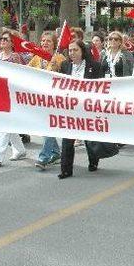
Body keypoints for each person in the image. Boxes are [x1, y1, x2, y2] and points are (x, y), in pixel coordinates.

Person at [57, 40, 104, 179]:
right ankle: (66, 169)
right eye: (70, 50)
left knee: (89, 137)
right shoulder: (65, 65)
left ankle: (93, 161)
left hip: (87, 108)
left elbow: (100, 87)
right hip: (70, 108)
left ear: (82, 51)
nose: (72, 53)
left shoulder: (94, 66)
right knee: (67, 138)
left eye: (75, 50)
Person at [28, 32, 67, 170]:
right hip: (40, 98)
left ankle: (43, 158)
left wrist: (58, 69)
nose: (45, 43)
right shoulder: (37, 58)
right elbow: (26, 71)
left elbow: (68, 77)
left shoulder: (60, 58)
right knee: (46, 126)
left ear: (54, 43)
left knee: (48, 126)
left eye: (48, 41)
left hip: (55, 98)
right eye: (43, 40)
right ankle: (56, 152)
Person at [0, 30, 26, 168]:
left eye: (6, 39)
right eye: (1, 39)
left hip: (13, 95)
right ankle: (20, 150)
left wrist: (19, 64)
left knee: (3, 125)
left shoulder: (16, 57)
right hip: (0, 94)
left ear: (12, 43)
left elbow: (23, 74)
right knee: (8, 124)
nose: (3, 41)